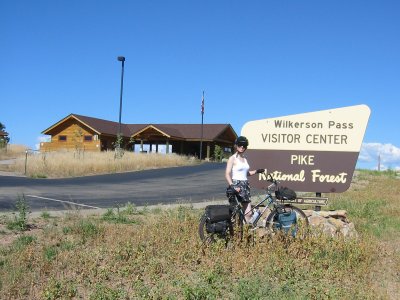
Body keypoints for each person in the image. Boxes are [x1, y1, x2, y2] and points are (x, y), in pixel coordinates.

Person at [225, 136, 265, 223]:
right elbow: (227, 174)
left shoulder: (245, 158)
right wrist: (232, 186)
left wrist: (257, 171)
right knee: (237, 212)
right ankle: (235, 232)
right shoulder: (232, 158)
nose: (242, 147)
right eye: (240, 145)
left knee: (248, 213)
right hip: (236, 185)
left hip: (245, 185)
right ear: (236, 146)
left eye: (244, 145)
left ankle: (244, 232)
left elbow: (245, 173)